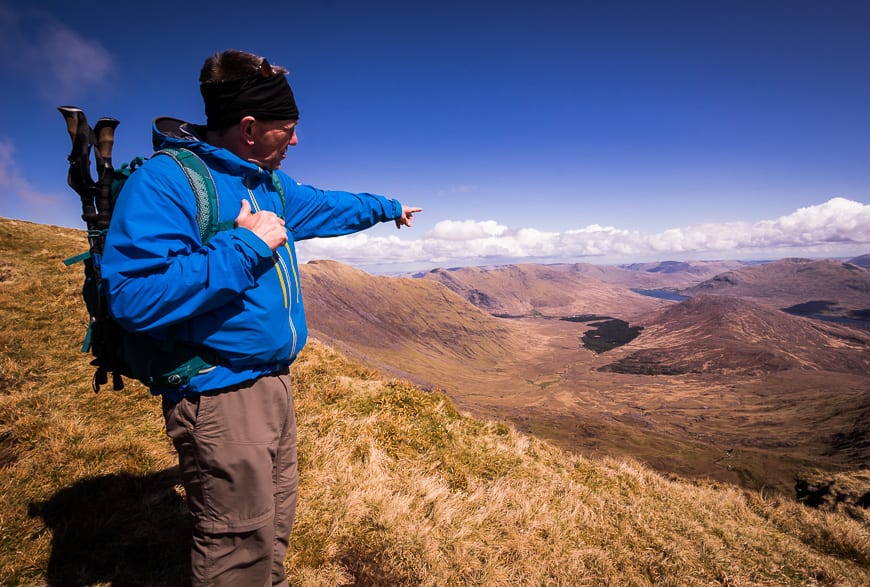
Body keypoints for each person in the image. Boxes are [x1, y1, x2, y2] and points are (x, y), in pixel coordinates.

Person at [101, 49, 421, 586]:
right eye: (288, 128)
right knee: (235, 542)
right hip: (220, 394)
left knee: (271, 523)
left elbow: (326, 205)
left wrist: (388, 207)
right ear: (249, 127)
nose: (295, 141)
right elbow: (134, 296)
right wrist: (246, 247)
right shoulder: (168, 182)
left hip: (272, 385)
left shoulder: (263, 182)